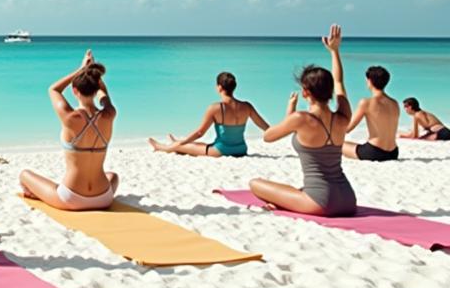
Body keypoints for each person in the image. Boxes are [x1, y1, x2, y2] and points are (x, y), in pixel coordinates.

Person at [249, 25, 356, 216]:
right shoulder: (343, 116)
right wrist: (335, 51)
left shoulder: (300, 118)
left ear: (305, 92)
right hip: (348, 199)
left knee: (255, 184)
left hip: (321, 202)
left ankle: (289, 202)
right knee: (296, 189)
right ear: (329, 91)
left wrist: (290, 109)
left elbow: (268, 136)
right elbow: (339, 82)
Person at [19, 50, 119, 211]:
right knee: (113, 176)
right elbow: (104, 96)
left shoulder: (69, 117)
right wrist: (93, 75)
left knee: (24, 175)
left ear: (74, 91)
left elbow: (54, 89)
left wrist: (81, 69)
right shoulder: (110, 114)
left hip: (72, 198)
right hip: (104, 198)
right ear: (96, 89)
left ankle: (40, 195)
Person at [148, 72, 269, 157]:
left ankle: (162, 147)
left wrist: (183, 142)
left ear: (219, 87)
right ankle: (178, 142)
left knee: (181, 146)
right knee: (200, 145)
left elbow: (200, 133)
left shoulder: (215, 108)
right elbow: (265, 127)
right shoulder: (247, 106)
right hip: (241, 149)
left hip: (221, 151)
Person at [342, 65, 400, 162]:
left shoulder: (366, 103)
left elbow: (348, 128)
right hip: (393, 152)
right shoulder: (395, 103)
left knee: (339, 145)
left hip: (374, 152)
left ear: (370, 81)